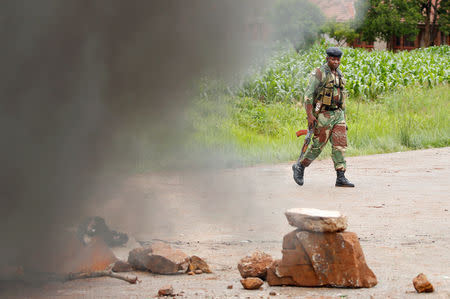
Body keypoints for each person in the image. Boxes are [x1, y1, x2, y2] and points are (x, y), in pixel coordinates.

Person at [292, 47, 354, 187]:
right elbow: (308, 96)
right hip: (323, 114)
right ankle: (300, 166)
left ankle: (341, 176)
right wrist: (310, 116)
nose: (335, 62)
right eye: (333, 59)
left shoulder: (339, 74)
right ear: (327, 59)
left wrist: (343, 118)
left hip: (338, 114)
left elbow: (342, 97)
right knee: (318, 146)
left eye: (337, 59)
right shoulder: (319, 73)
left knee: (340, 145)